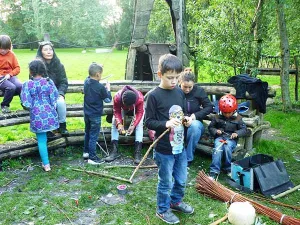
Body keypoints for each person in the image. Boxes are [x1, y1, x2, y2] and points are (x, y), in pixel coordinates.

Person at [145, 54, 194, 224]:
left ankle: (175, 202)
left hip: (180, 145)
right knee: (166, 181)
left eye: (177, 77)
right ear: (160, 75)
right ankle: (163, 209)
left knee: (181, 179)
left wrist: (186, 120)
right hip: (164, 149)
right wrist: (165, 123)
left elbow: (181, 114)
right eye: (170, 78)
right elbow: (149, 122)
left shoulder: (179, 92)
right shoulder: (153, 96)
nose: (174, 81)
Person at [20, 59, 59, 172]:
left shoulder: (27, 84)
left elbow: (26, 102)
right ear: (43, 70)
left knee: (41, 140)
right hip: (49, 115)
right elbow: (54, 97)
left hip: (37, 116)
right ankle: (47, 162)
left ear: (31, 71)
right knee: (45, 138)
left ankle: (46, 165)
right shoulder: (48, 82)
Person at [208, 94, 248, 180]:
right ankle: (214, 171)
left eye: (229, 112)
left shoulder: (238, 118)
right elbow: (211, 127)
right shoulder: (217, 117)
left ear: (234, 110)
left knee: (227, 147)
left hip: (231, 139)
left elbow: (244, 130)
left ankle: (227, 168)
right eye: (224, 112)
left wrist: (237, 133)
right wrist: (216, 131)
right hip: (219, 138)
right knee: (217, 149)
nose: (226, 115)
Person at [179, 70, 213, 166]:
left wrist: (194, 116)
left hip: (195, 123)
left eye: (190, 87)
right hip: (179, 121)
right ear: (179, 82)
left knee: (194, 126)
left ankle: (188, 158)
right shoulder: (175, 91)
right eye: (184, 87)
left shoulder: (199, 91)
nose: (187, 90)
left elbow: (209, 107)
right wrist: (182, 118)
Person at [36, 41, 69, 137]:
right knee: (46, 104)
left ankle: (62, 126)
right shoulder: (37, 66)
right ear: (41, 52)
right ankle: (48, 129)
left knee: (60, 102)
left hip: (57, 93)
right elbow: (34, 82)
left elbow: (63, 82)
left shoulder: (59, 65)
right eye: (45, 50)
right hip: (43, 95)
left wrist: (60, 93)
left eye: (50, 49)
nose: (49, 52)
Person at [104, 85, 144, 164]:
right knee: (114, 122)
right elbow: (116, 111)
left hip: (136, 109)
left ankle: (137, 152)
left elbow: (140, 112)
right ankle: (114, 150)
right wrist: (119, 123)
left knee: (139, 124)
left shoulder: (140, 98)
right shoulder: (117, 97)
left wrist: (133, 125)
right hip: (122, 109)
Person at [83, 62, 112, 165]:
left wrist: (96, 69)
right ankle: (92, 157)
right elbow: (108, 100)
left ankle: (86, 152)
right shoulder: (100, 87)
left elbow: (90, 76)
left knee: (87, 132)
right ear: (98, 74)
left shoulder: (86, 82)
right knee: (93, 136)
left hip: (86, 114)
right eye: (101, 74)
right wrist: (108, 89)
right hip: (95, 115)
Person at [0, 35, 22, 113]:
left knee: (20, 86)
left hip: (10, 76)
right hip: (1, 78)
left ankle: (25, 103)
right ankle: (4, 105)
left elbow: (17, 68)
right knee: (11, 87)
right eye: (1, 48)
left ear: (9, 47)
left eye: (5, 49)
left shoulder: (11, 55)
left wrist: (10, 74)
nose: (3, 50)